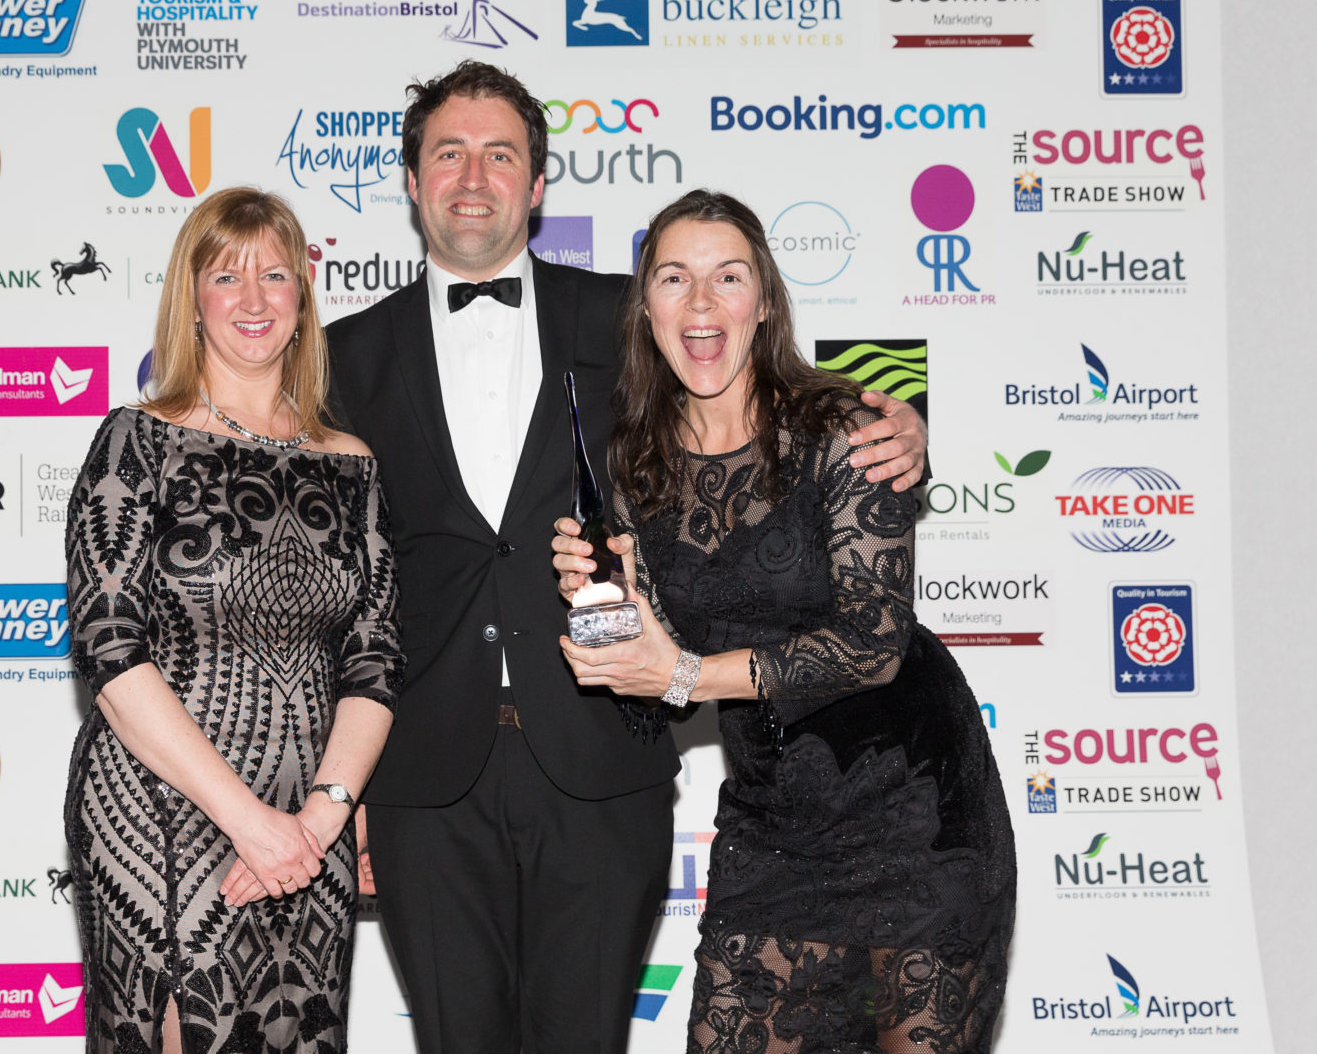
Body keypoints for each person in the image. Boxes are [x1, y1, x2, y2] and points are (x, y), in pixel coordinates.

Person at [326, 62, 930, 1053]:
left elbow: (759, 382)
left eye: (500, 155)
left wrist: (896, 424)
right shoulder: (342, 355)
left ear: (537, 186)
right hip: (421, 780)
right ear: (410, 180)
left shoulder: (633, 313)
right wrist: (335, 787)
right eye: (448, 154)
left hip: (604, 761)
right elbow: (336, 588)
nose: (472, 178)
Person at [553, 190, 1015, 1053]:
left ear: (763, 301)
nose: (700, 303)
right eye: (673, 279)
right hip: (772, 829)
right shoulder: (628, 465)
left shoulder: (844, 430)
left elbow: (873, 645)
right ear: (644, 307)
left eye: (727, 277)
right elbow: (642, 703)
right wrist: (601, 621)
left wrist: (687, 674)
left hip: (918, 810)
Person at [64, 187, 403, 1054]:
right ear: (193, 300)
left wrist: (320, 821)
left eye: (275, 275)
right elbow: (111, 650)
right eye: (226, 277)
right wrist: (249, 823)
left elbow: (374, 659)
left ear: (301, 301)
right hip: (164, 816)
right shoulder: (134, 442)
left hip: (310, 821)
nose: (253, 299)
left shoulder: (352, 466)